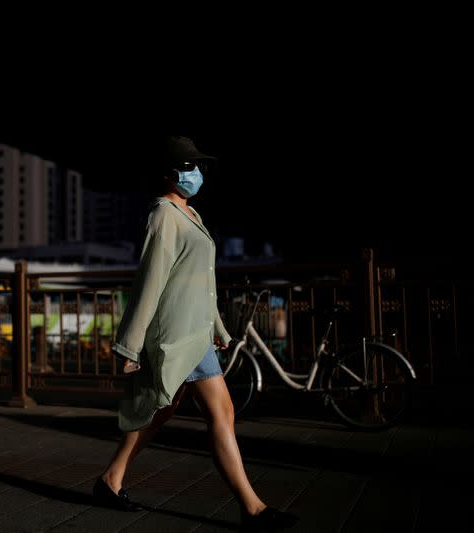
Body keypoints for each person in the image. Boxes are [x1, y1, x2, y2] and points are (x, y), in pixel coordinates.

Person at [92, 137, 298, 530]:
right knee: (218, 411)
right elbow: (150, 283)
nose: (197, 173)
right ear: (169, 172)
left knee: (163, 409)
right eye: (189, 166)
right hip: (174, 334)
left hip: (196, 334)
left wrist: (217, 326)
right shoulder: (163, 215)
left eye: (199, 166)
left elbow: (202, 283)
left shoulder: (191, 215)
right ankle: (252, 507)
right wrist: (129, 344)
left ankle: (111, 479)